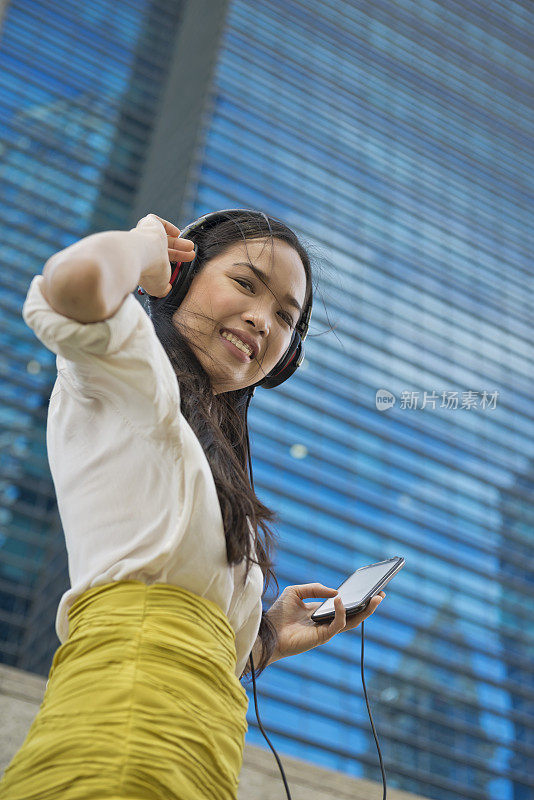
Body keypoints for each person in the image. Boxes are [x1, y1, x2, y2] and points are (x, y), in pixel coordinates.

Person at [0, 210, 384, 799]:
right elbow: (69, 286)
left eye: (286, 316)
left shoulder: (207, 455)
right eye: (246, 284)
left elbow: (191, 634)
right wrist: (144, 247)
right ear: (181, 277)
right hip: (124, 738)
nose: (262, 319)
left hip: (201, 756)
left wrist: (268, 638)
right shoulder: (129, 366)